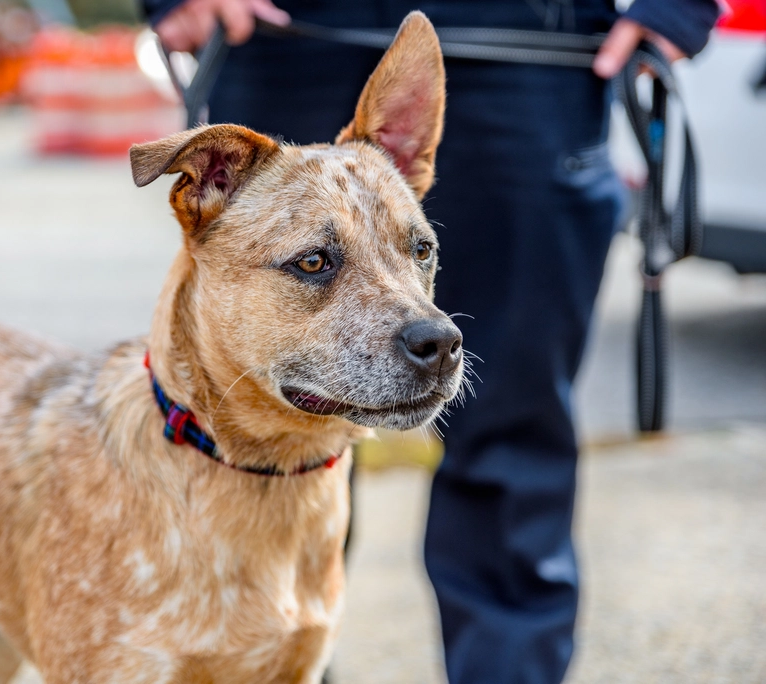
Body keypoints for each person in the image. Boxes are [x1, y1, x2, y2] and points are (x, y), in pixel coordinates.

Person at [142, 1, 719, 682]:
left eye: (422, 252)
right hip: (281, 32)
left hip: (532, 42)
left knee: (516, 423)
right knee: (256, 444)